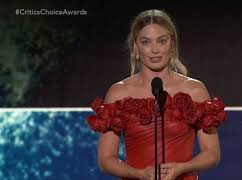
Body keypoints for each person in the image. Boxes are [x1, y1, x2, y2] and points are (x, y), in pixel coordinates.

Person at [87, 9, 227, 180]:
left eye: (162, 41)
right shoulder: (119, 92)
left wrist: (182, 168)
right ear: (136, 47)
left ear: (172, 45)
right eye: (146, 42)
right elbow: (106, 159)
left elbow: (212, 154)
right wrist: (138, 174)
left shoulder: (194, 90)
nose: (154, 50)